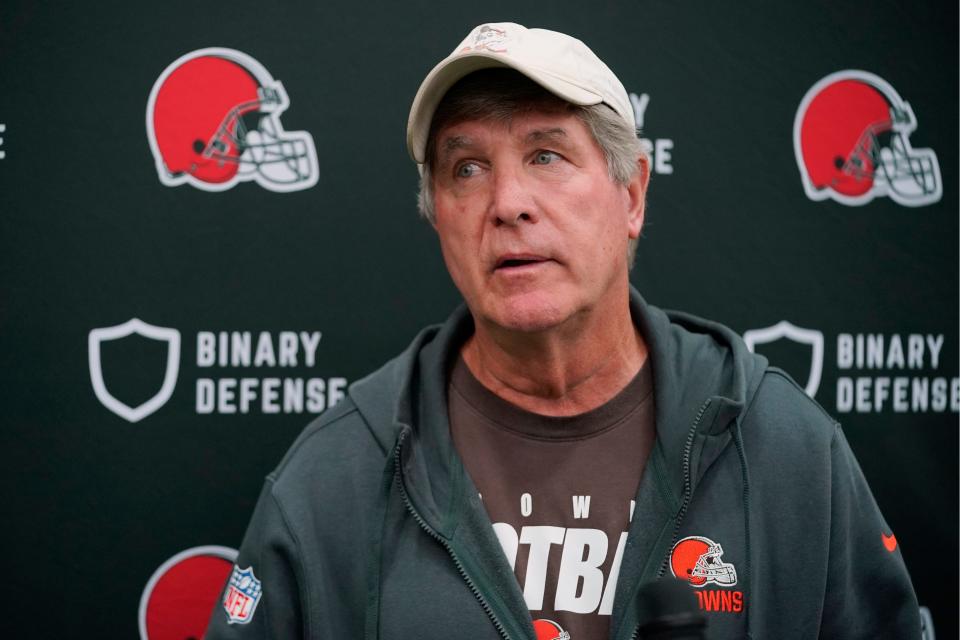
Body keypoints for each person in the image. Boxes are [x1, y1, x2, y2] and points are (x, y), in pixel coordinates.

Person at [205, 22, 921, 640]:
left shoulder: (782, 450)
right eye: (467, 167)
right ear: (438, 216)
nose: (508, 202)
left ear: (632, 192)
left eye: (546, 155)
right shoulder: (338, 475)